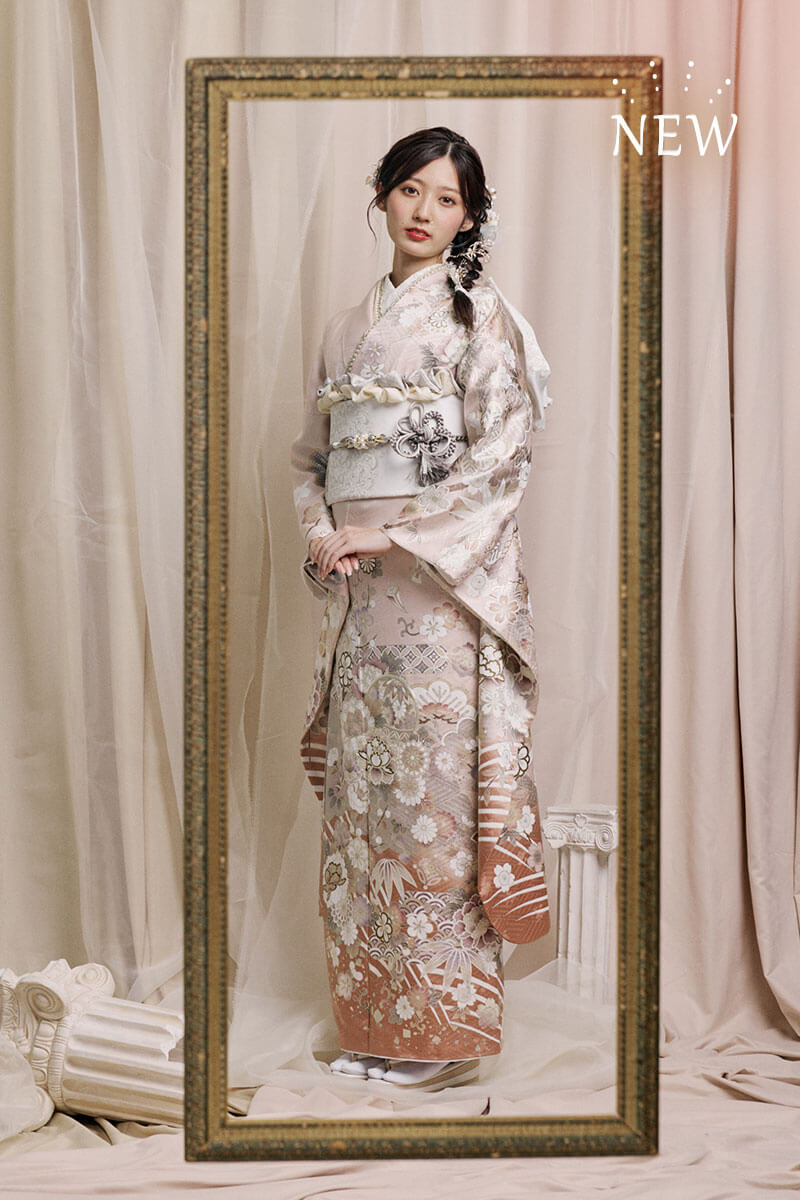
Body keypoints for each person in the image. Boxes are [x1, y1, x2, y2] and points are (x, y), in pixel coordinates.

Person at [290, 127, 552, 1091]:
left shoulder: (482, 320)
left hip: (438, 603)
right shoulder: (342, 328)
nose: (423, 211)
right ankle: (375, 1025)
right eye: (410, 189)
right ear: (382, 194)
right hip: (362, 610)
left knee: (433, 811)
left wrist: (390, 537)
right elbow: (310, 459)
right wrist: (323, 531)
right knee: (366, 819)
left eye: (446, 199)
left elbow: (503, 458)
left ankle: (442, 1040)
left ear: (468, 216)